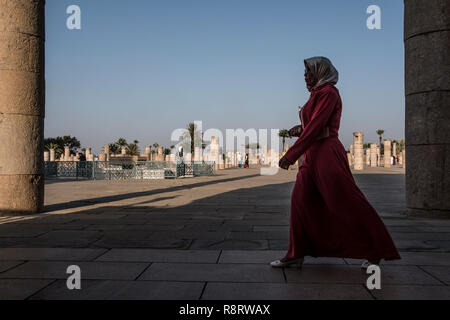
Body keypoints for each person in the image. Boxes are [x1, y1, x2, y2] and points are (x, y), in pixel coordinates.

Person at [271, 57, 400, 269]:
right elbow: (312, 126)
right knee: (300, 201)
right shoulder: (316, 95)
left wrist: (291, 154)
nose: (305, 75)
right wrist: (299, 129)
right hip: (311, 155)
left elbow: (318, 126)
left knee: (345, 200)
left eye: (308, 71)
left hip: (327, 154)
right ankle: (296, 252)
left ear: (320, 72)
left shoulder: (329, 93)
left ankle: (378, 249)